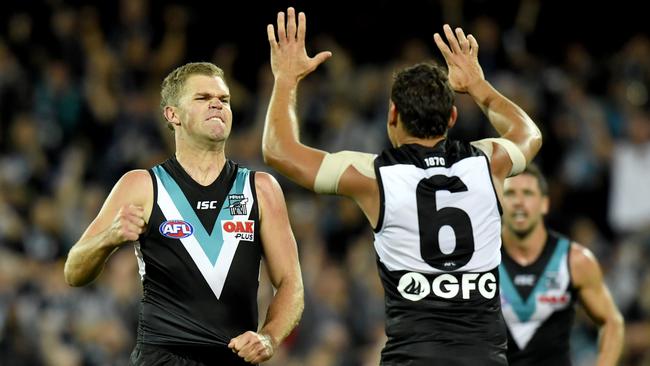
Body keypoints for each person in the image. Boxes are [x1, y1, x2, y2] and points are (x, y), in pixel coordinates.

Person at [263, 7, 542, 365]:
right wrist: (478, 86)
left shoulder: (375, 177)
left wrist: (286, 78)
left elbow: (278, 150)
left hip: (413, 357)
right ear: (452, 117)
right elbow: (528, 134)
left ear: (392, 114)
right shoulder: (488, 164)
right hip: (483, 358)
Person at [64, 62, 303, 365]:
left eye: (224, 99)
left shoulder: (261, 188)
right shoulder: (142, 186)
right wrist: (109, 237)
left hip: (234, 357)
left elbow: (291, 283)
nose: (217, 103)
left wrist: (269, 337)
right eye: (202, 98)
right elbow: (73, 271)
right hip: (162, 356)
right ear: (172, 114)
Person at [499, 164, 624, 366]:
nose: (519, 202)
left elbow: (612, 322)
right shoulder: (480, 261)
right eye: (511, 193)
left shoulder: (575, 260)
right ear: (500, 202)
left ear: (544, 204)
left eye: (528, 193)